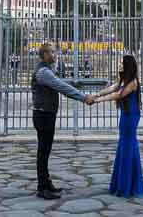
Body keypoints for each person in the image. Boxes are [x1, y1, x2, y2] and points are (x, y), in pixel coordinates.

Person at [31, 43, 94, 200]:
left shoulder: (48, 70)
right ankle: (42, 188)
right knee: (43, 153)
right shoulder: (44, 72)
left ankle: (46, 183)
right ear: (44, 55)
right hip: (43, 115)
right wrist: (83, 97)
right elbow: (62, 87)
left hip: (46, 114)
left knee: (45, 152)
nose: (55, 54)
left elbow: (62, 85)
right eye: (52, 52)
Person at [92, 55, 143, 198]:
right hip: (126, 115)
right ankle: (124, 183)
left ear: (128, 66)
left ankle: (127, 185)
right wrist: (96, 94)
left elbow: (118, 95)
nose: (120, 66)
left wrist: (97, 101)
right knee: (125, 147)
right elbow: (112, 88)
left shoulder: (133, 82)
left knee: (128, 147)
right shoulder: (124, 80)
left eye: (122, 64)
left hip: (130, 116)